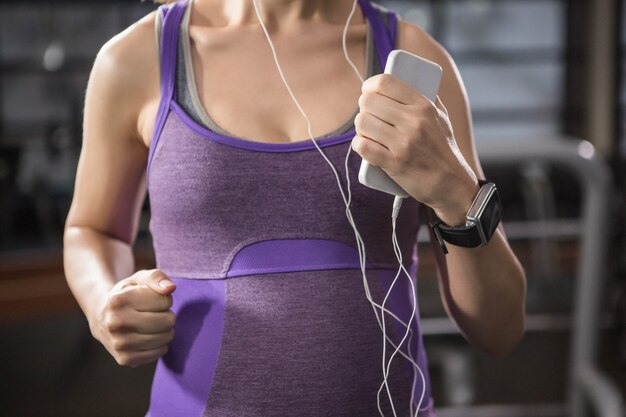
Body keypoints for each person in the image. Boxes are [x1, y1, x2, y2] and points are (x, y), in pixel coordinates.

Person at [63, 0, 526, 416]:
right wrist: (104, 300)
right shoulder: (138, 58)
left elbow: (500, 331)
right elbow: (93, 229)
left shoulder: (411, 59)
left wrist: (455, 192)